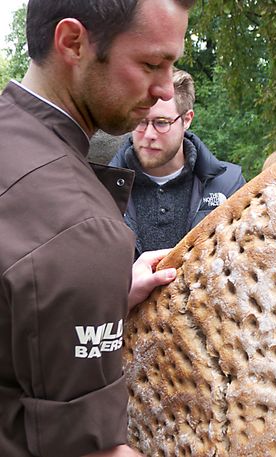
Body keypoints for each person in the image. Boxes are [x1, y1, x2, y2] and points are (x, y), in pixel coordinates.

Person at [0, 1, 195, 456]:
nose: (166, 89)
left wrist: (105, 294)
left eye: (172, 65)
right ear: (73, 43)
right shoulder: (83, 230)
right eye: (151, 63)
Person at [110, 68, 245, 256]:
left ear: (187, 119)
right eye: (140, 121)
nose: (148, 135)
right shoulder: (102, 189)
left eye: (161, 123)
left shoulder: (229, 186)